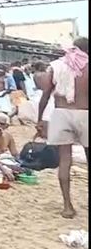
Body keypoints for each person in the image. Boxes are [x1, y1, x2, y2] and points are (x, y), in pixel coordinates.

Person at [37, 37, 88, 219]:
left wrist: (40, 119)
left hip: (60, 114)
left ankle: (67, 206)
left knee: (65, 160)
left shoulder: (55, 66)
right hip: (85, 114)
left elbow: (45, 96)